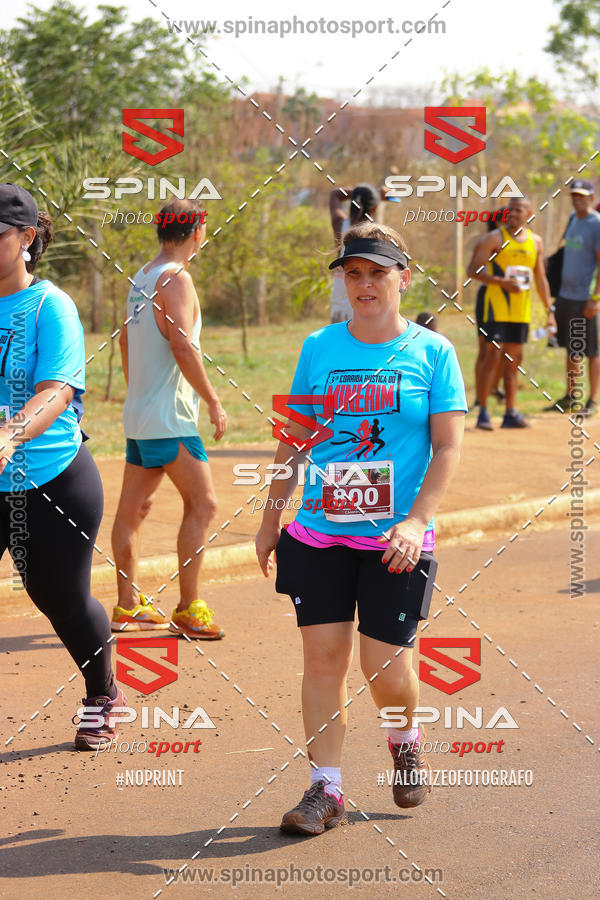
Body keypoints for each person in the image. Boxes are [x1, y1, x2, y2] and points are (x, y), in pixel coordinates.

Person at [255, 222, 467, 835]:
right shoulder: (319, 346)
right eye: (354, 273)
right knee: (323, 660)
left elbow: (448, 448)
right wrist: (271, 519)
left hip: (394, 540)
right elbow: (295, 437)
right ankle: (327, 788)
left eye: (377, 272)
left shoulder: (433, 353)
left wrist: (417, 519)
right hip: (319, 530)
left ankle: (404, 737)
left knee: (383, 668)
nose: (365, 284)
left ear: (403, 277)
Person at [0, 182, 124, 750]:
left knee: (61, 600)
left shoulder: (50, 305)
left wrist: (9, 434)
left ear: (26, 238)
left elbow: (56, 390)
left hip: (49, 480)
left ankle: (103, 693)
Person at [110, 198, 227, 639]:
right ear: (196, 232)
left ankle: (127, 606)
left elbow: (123, 340)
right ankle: (188, 609)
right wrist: (213, 400)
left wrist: (138, 388)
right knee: (205, 504)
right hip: (170, 419)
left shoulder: (141, 276)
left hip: (141, 415)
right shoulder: (176, 278)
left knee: (134, 509)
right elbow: (182, 345)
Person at [467, 196, 554, 429]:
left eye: (518, 210)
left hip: (520, 311)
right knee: (493, 357)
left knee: (514, 361)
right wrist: (501, 282)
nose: (513, 214)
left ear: (529, 213)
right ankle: (483, 411)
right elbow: (473, 270)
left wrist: (550, 310)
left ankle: (510, 413)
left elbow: (540, 278)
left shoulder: (535, 242)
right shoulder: (494, 239)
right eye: (510, 210)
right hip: (495, 308)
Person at [550, 179, 600, 416]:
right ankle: (571, 396)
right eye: (574, 195)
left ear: (592, 198)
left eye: (582, 195)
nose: (577, 199)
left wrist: (595, 298)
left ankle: (592, 400)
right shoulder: (573, 220)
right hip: (565, 295)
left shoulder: (596, 224)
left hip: (584, 297)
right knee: (572, 348)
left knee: (590, 350)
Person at [329, 184, 380, 323]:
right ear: (374, 208)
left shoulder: (340, 225)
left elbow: (335, 194)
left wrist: (358, 193)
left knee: (339, 338)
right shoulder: (377, 234)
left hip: (341, 289)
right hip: (364, 292)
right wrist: (375, 193)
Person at [472, 212, 507, 407]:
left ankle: (493, 387)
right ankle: (480, 397)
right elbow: (476, 269)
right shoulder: (488, 242)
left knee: (506, 350)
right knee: (486, 349)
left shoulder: (516, 242)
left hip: (510, 300)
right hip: (488, 298)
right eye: (506, 218)